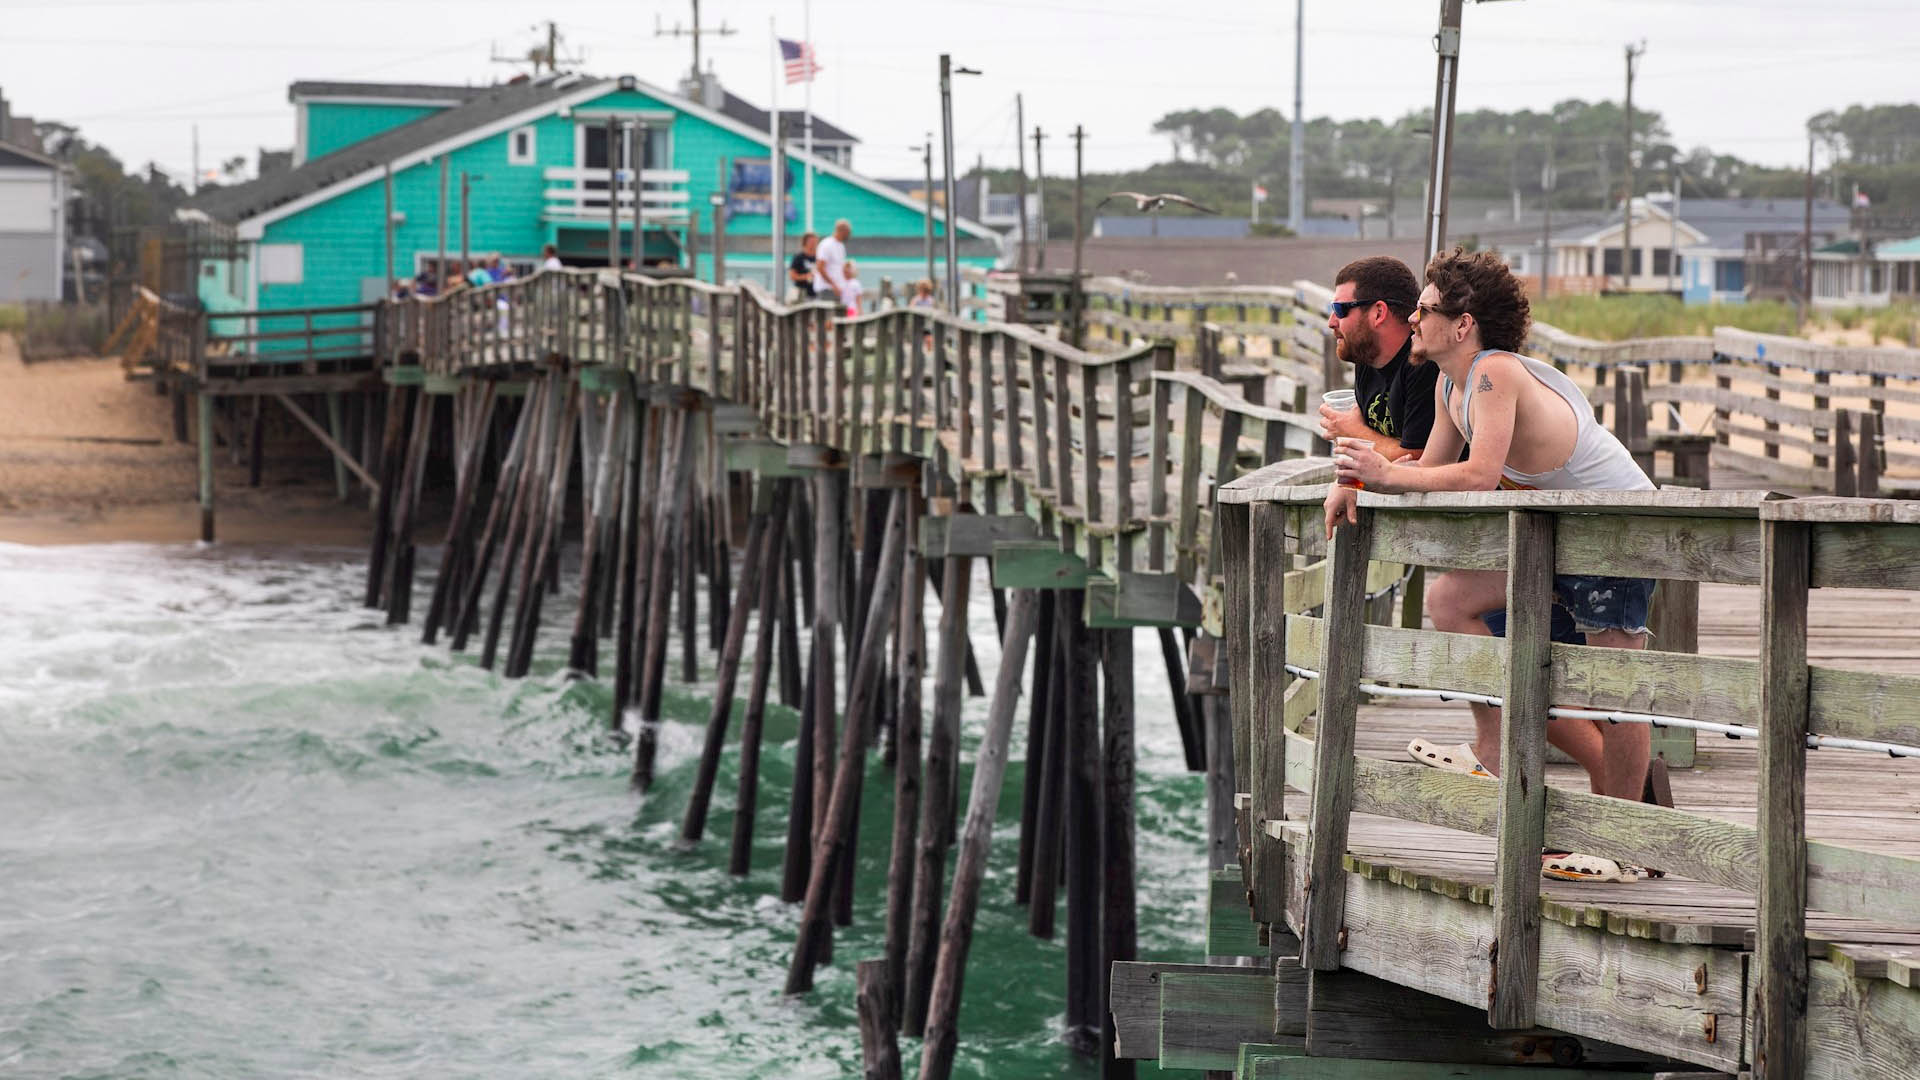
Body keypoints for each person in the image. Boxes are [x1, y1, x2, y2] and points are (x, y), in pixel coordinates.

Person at [1325, 247, 1659, 884]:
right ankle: (1494, 749)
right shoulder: (1454, 384)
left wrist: (1383, 470)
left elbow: (1477, 476)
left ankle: (1624, 844)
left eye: (1424, 311)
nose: (1413, 321)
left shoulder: (1494, 374)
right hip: (1561, 532)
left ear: (1462, 324)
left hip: (1617, 528)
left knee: (1614, 688)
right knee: (1451, 602)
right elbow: (1423, 474)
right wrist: (1356, 480)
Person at [1319, 256, 1437, 462]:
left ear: (1378, 313)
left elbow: (1418, 460)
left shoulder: (1426, 363)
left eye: (1339, 310)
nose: (1331, 322)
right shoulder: (1367, 357)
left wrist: (1352, 432)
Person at [814, 218, 852, 303]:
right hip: (826, 289)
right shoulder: (827, 244)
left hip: (837, 289)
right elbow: (820, 267)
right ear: (841, 231)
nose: (849, 235)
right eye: (848, 232)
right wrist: (833, 285)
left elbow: (839, 267)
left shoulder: (841, 245)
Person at [788, 232, 819, 302]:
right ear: (805, 242)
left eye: (815, 242)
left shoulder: (819, 257)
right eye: (811, 242)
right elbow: (792, 276)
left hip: (815, 293)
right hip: (801, 293)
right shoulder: (798, 257)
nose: (813, 244)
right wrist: (806, 276)